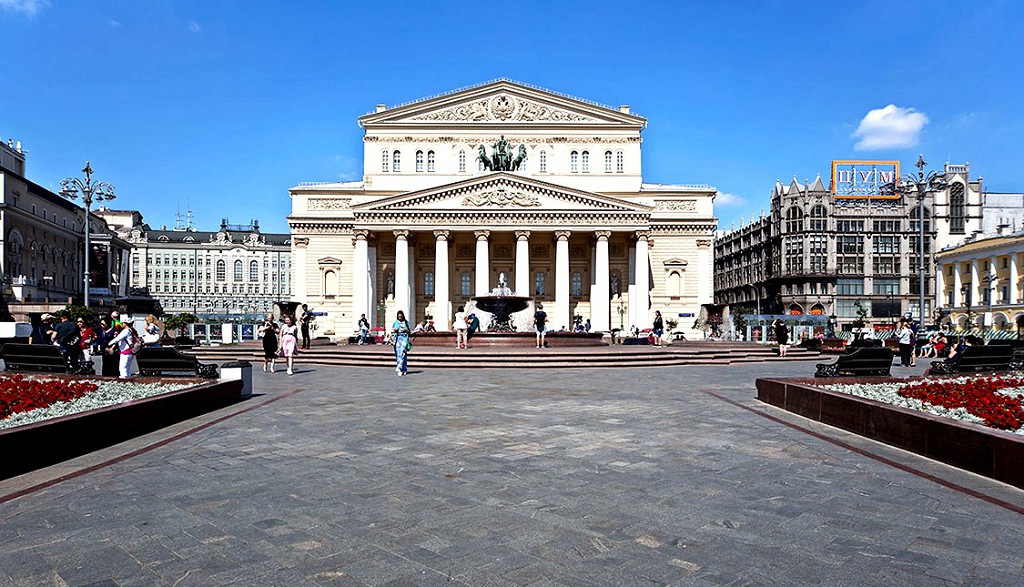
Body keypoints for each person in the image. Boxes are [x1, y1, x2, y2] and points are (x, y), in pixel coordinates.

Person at [392, 310, 411, 376]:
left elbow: (410, 331)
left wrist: (406, 330)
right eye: (399, 316)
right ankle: (404, 369)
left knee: (402, 352)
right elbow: (392, 330)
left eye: (401, 316)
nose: (400, 318)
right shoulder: (395, 323)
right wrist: (395, 330)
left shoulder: (406, 322)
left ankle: (399, 368)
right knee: (398, 354)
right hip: (397, 339)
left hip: (404, 338)